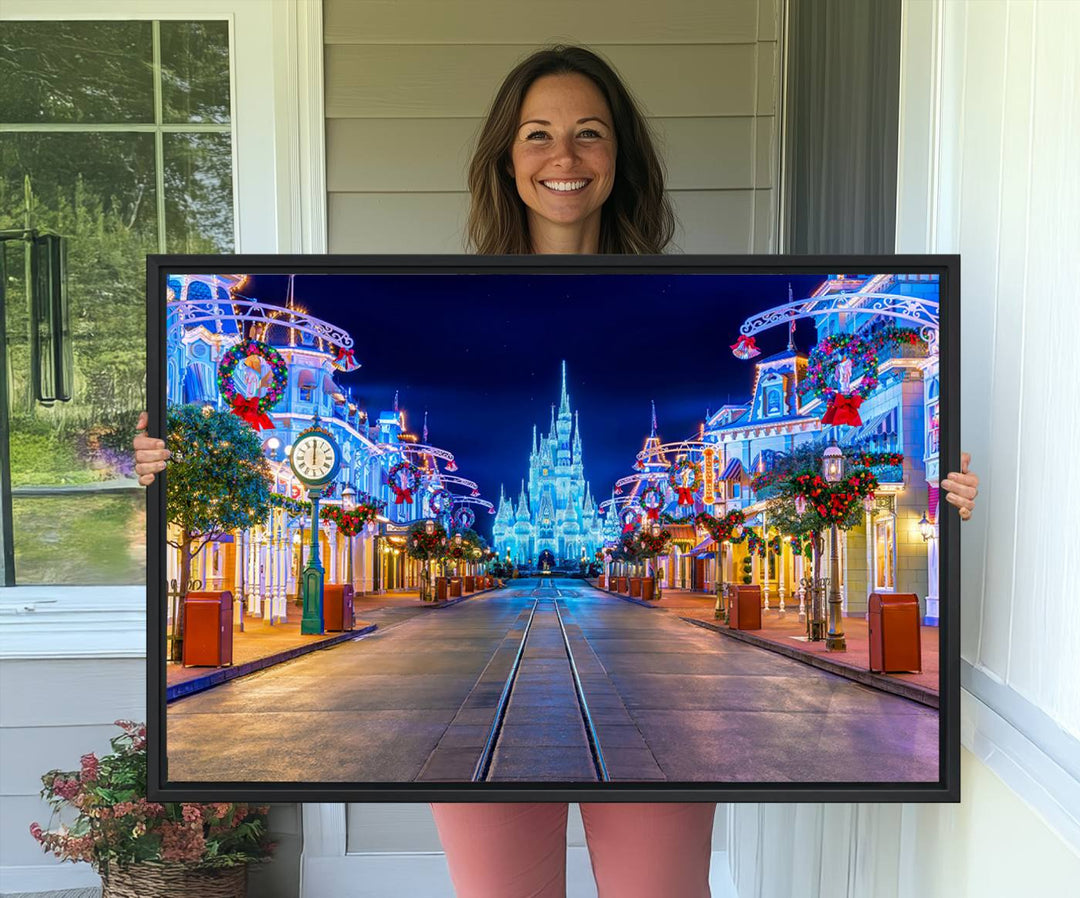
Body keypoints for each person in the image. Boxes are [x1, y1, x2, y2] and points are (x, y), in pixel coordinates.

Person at [134, 44, 980, 898]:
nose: (563, 156)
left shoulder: (644, 361)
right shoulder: (498, 402)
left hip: (653, 727)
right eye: (538, 134)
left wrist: (943, 487)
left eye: (589, 133)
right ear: (507, 157)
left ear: (621, 158)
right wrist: (163, 462)